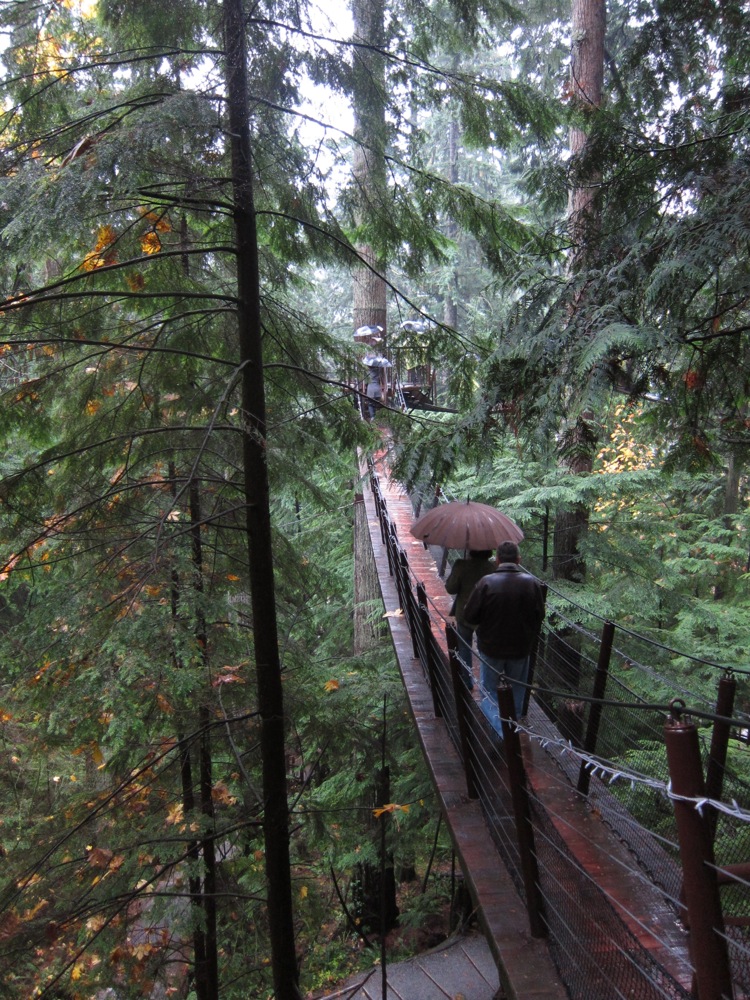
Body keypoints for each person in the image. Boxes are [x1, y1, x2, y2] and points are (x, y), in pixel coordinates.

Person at [463, 540, 545, 733]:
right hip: (520, 648)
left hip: (491, 647)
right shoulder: (532, 583)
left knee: (489, 692)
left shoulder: (486, 583)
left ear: (497, 560)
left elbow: (469, 615)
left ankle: (500, 733)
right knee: (517, 691)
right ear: (518, 559)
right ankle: (511, 730)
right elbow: (539, 616)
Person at [444, 550, 495, 686]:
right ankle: (486, 685)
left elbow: (451, 588)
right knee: (484, 650)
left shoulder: (461, 565)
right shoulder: (493, 568)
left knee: (464, 646)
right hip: (485, 616)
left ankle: (466, 681)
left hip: (465, 614)